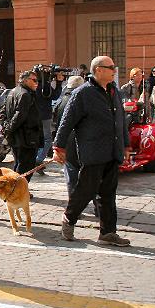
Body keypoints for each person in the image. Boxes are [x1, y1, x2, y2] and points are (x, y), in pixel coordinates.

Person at [53, 55, 131, 247]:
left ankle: (108, 233)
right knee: (85, 191)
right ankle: (69, 218)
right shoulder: (83, 93)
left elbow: (120, 121)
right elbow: (67, 122)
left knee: (108, 194)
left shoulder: (114, 91)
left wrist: (126, 145)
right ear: (98, 70)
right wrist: (58, 147)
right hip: (93, 151)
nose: (114, 70)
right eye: (111, 67)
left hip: (112, 151)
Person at [2, 70, 42, 183]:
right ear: (26, 80)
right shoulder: (25, 94)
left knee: (19, 164)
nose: (36, 83)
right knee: (26, 166)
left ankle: (15, 187)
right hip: (25, 137)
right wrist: (8, 128)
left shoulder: (12, 91)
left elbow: (3, 111)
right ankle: (17, 188)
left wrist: (6, 127)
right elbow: (19, 115)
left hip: (18, 136)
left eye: (37, 80)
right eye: (34, 80)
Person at [52, 76, 85, 198]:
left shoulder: (61, 101)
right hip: (80, 141)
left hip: (65, 142)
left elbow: (56, 123)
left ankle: (74, 200)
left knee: (71, 174)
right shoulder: (81, 101)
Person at [35, 69, 63, 170]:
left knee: (37, 138)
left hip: (35, 116)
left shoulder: (34, 85)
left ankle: (36, 158)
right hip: (45, 116)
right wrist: (59, 83)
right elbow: (55, 96)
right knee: (47, 139)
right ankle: (38, 160)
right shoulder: (45, 86)